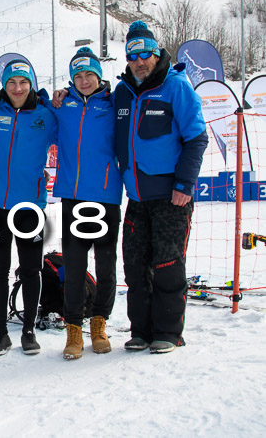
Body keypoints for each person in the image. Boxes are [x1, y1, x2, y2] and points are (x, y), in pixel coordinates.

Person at [115, 21, 208, 353]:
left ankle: (168, 332)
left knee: (168, 265)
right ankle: (140, 330)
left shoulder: (176, 87)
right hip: (136, 197)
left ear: (156, 53)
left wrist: (184, 183)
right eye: (133, 55)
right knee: (135, 266)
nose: (140, 61)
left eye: (145, 54)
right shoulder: (123, 92)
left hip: (172, 197)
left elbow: (196, 138)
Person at [0, 59, 57, 356]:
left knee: (31, 269)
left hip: (29, 206)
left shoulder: (46, 115)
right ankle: (0, 332)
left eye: (23, 82)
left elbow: (74, 131)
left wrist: (56, 100)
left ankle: (29, 330)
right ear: (3, 86)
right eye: (11, 83)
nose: (17, 88)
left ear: (31, 83)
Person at [46, 47, 122, 360]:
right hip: (73, 197)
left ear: (99, 76)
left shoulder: (114, 103)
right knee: (75, 268)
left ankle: (99, 323)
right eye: (78, 75)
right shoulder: (64, 105)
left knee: (106, 266)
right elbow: (39, 119)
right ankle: (74, 328)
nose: (84, 80)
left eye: (89, 74)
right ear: (72, 79)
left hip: (105, 195)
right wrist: (50, 98)